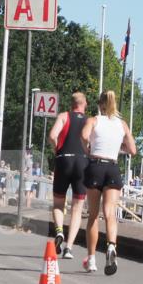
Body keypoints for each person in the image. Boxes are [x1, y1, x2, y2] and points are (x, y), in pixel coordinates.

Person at [80, 91, 137, 275]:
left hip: (96, 165)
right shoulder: (122, 124)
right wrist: (118, 146)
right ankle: (111, 246)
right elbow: (132, 150)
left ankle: (91, 259)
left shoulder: (94, 120)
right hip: (112, 167)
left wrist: (88, 149)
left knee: (93, 215)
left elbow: (84, 135)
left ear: (100, 105)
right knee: (110, 213)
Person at [47, 92, 88, 259]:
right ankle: (69, 248)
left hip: (64, 160)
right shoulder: (90, 121)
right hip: (82, 162)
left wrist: (58, 149)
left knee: (58, 202)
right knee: (77, 208)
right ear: (84, 104)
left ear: (72, 104)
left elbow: (52, 135)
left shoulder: (64, 116)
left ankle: (59, 232)